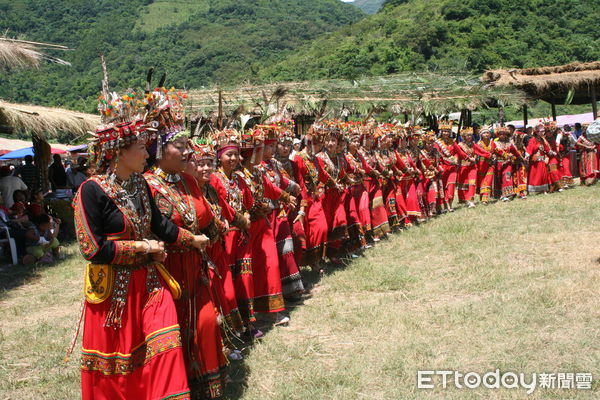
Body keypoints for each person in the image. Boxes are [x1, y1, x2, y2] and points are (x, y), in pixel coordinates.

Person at [73, 91, 211, 400]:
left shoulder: (140, 185)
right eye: (140, 148)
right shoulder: (91, 191)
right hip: (116, 294)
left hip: (149, 283)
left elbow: (161, 226)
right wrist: (143, 247)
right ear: (120, 152)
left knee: (167, 344)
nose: (148, 155)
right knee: (121, 366)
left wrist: (193, 240)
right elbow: (92, 249)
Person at [145, 127, 226, 399]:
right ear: (159, 151)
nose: (186, 152)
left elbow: (206, 219)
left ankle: (206, 388)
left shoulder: (187, 182)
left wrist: (219, 228)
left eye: (186, 145)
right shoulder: (147, 185)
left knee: (205, 324)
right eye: (179, 146)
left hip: (195, 267)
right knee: (174, 333)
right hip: (167, 272)